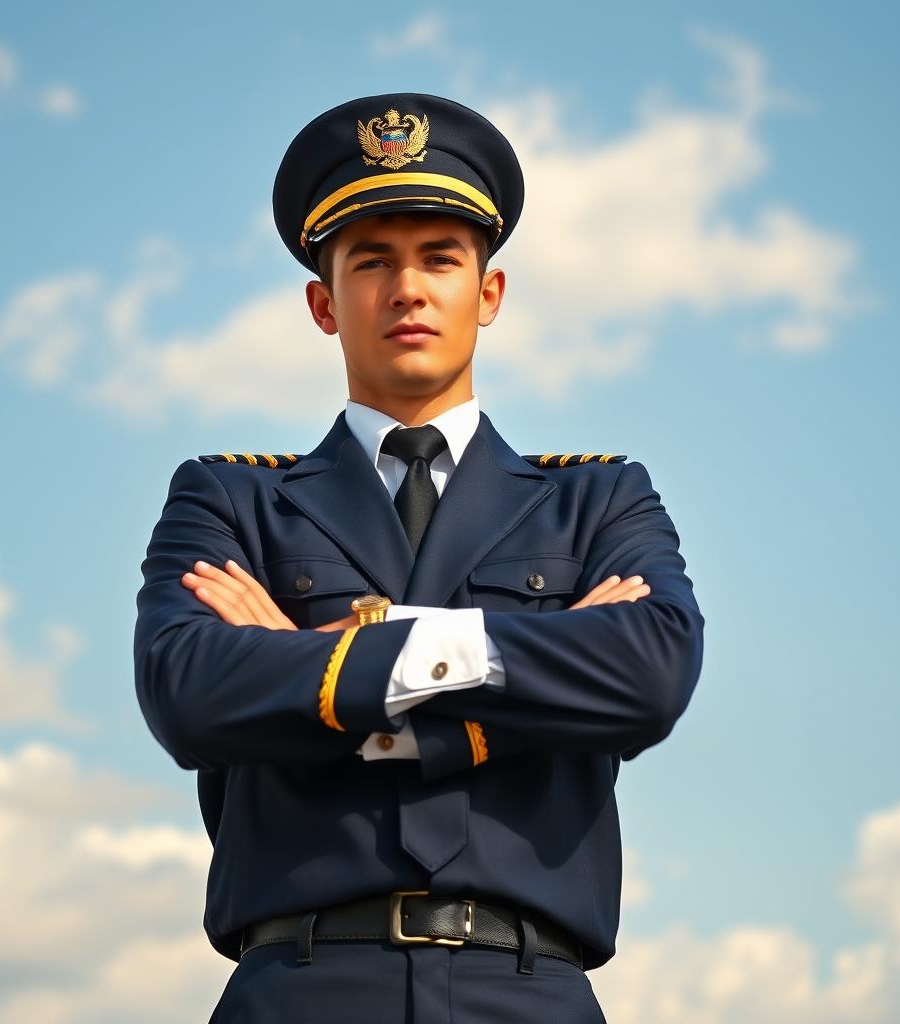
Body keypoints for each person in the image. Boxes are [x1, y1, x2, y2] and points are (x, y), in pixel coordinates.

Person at [133, 92, 705, 1023]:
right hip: (301, 986)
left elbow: (649, 675)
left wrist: (320, 660)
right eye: (372, 262)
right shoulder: (229, 498)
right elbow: (189, 693)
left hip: (529, 988)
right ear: (324, 303)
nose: (408, 288)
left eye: (441, 258)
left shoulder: (598, 498)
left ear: (488, 295)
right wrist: (530, 666)